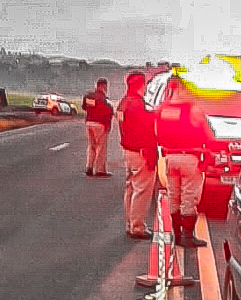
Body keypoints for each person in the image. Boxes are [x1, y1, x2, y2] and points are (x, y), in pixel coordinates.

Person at [117, 71, 159, 239]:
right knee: (142, 190)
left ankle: (131, 223)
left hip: (128, 150)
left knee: (131, 188)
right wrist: (156, 114)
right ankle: (138, 227)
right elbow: (145, 126)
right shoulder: (137, 104)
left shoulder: (123, 103)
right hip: (140, 151)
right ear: (142, 85)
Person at [165, 95, 209, 248]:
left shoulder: (167, 109)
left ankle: (177, 235)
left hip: (170, 156)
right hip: (190, 157)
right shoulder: (194, 109)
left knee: (174, 197)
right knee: (189, 198)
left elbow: (158, 132)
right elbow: (207, 134)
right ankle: (188, 237)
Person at [82, 77, 113, 177]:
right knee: (101, 147)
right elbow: (108, 112)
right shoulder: (104, 99)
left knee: (92, 146)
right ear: (104, 86)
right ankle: (100, 170)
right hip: (100, 124)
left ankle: (89, 167)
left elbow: (84, 107)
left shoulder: (89, 96)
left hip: (89, 122)